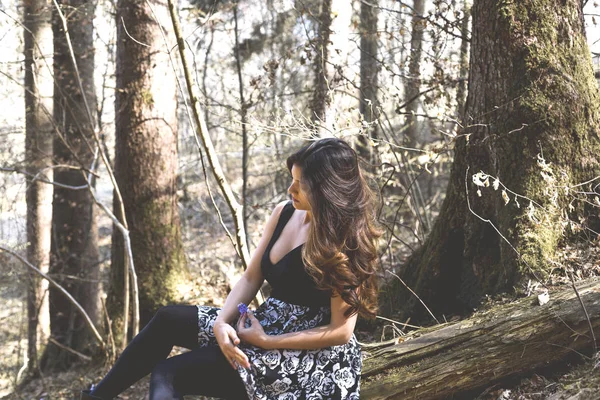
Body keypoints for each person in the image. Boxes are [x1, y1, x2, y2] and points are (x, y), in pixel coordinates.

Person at [81, 137, 381, 400]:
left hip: (309, 358)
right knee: (168, 318)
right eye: (292, 180)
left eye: (300, 185)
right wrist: (222, 323)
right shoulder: (285, 213)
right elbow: (252, 277)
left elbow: (340, 332)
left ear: (326, 190)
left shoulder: (346, 241)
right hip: (266, 322)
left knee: (168, 373)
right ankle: (97, 396)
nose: (291, 189)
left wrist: (266, 341)